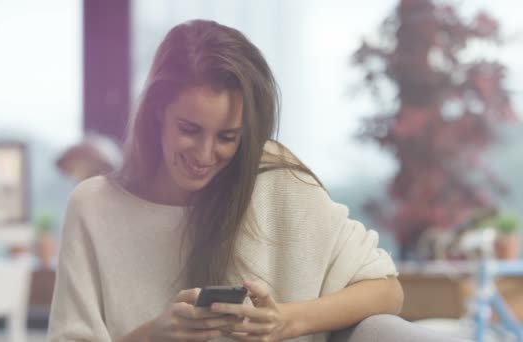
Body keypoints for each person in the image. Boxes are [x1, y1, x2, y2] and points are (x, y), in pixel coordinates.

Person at [48, 19, 402, 342]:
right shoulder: (94, 207)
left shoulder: (275, 181)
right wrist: (154, 335)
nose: (204, 155)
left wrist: (286, 321)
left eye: (227, 137)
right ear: (157, 112)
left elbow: (387, 290)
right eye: (189, 130)